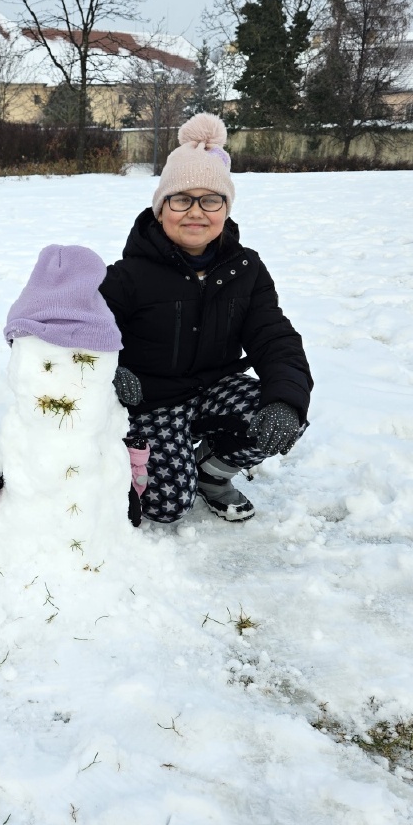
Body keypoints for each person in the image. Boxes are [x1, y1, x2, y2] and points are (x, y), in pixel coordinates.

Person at [99, 113, 313, 524]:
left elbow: (274, 337)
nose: (195, 212)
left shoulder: (246, 269)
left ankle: (211, 472)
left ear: (225, 209)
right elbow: (78, 337)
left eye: (210, 200)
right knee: (166, 506)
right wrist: (111, 373)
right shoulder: (127, 276)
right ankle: (124, 456)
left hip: (213, 390)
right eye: (181, 199)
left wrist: (286, 400)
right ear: (161, 208)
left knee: (283, 413)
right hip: (151, 402)